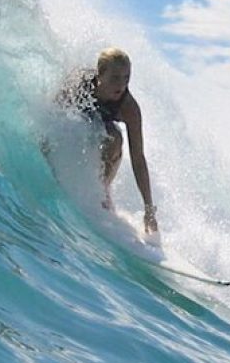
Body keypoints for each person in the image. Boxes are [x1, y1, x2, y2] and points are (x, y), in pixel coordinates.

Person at [54, 47, 158, 234]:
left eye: (126, 78)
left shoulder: (129, 108)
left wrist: (148, 208)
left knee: (115, 138)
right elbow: (53, 115)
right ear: (100, 74)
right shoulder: (79, 82)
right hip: (77, 124)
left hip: (101, 131)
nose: (121, 85)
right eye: (115, 78)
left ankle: (101, 195)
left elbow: (138, 159)